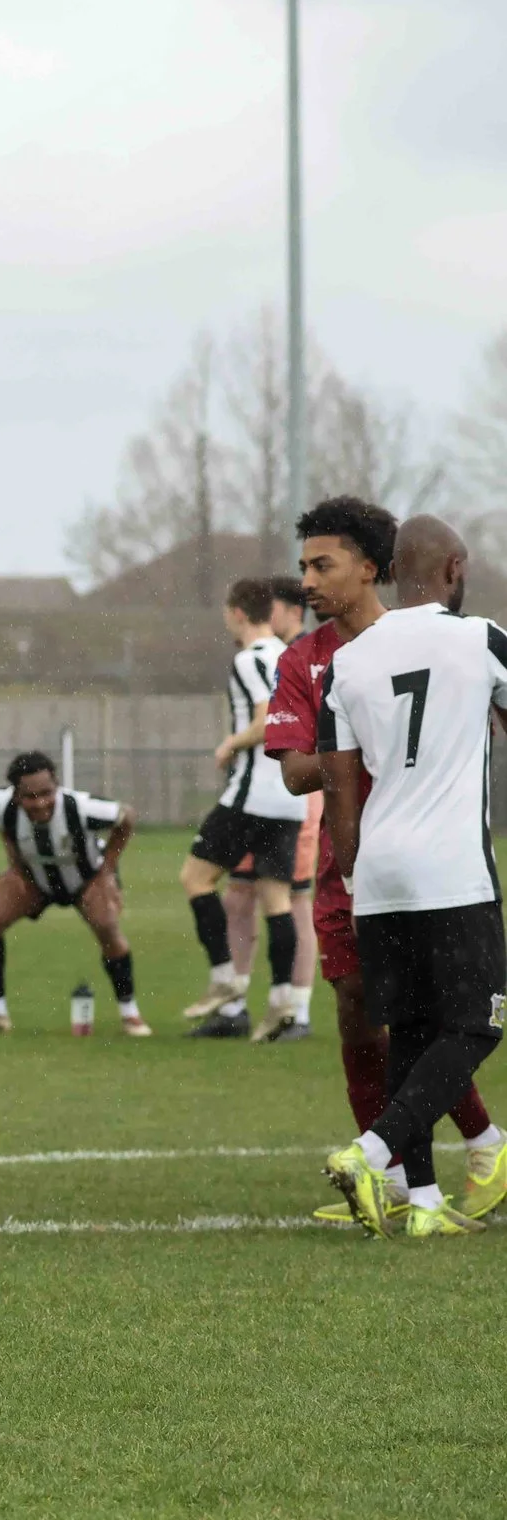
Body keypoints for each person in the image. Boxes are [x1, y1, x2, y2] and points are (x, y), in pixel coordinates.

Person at [272, 501, 503, 1226]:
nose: (308, 579)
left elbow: (337, 785)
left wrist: (351, 869)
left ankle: (426, 1199)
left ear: (386, 572)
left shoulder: (348, 663)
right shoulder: (477, 639)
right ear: (455, 570)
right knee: (480, 1023)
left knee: (407, 1027)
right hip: (453, 868)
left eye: (321, 564)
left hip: (374, 871)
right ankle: (375, 1154)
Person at [180, 578, 308, 1038]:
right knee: (276, 899)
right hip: (291, 797)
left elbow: (265, 718)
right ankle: (282, 1003)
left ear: (237, 613)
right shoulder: (291, 656)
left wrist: (230, 744)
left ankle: (225, 980)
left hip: (254, 791)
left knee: (195, 879)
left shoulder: (250, 659)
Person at [0, 750, 147, 1037]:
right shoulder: (0, 805)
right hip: (35, 880)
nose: (40, 803)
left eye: (46, 793)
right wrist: (15, 867)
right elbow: (5, 831)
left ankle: (130, 1014)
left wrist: (108, 872)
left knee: (107, 927)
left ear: (57, 785)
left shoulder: (82, 807)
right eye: (29, 796)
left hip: (85, 880)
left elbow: (127, 817)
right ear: (15, 794)